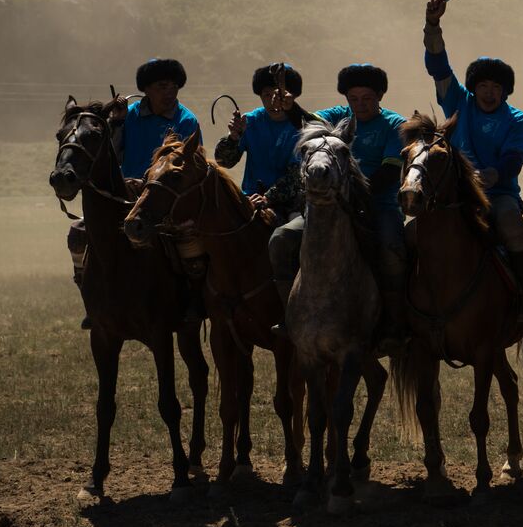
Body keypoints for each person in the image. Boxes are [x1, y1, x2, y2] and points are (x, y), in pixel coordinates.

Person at [266, 63, 408, 352]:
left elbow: (390, 172)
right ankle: (290, 317)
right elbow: (307, 124)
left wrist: (354, 196)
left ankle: (395, 323)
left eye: (367, 98)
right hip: (326, 206)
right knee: (281, 239)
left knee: (393, 248)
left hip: (378, 207)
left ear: (380, 96)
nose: (359, 105)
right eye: (353, 99)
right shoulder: (336, 117)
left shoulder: (395, 125)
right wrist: (291, 107)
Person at [422, 0, 523, 321]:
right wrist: (433, 26)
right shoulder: (458, 102)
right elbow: (438, 68)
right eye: (484, 85)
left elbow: (515, 160)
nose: (490, 92)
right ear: (474, 87)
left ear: (506, 91)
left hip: (499, 196)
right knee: (413, 234)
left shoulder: (517, 119)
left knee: (514, 229)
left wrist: (492, 175)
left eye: (496, 87)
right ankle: (407, 308)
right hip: (455, 196)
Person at [69, 58, 204, 327]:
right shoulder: (127, 116)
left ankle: (195, 299)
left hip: (164, 201)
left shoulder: (186, 121)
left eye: (174, 86)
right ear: (147, 89)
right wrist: (116, 123)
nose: (169, 92)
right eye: (162, 86)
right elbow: (110, 156)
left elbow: (189, 166)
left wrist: (148, 184)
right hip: (124, 199)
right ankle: (91, 298)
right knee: (78, 234)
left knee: (190, 242)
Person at [215, 62, 319, 223]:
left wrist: (267, 198)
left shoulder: (302, 126)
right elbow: (223, 162)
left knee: (286, 236)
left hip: (290, 205)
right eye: (267, 95)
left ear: (291, 97)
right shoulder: (249, 121)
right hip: (250, 199)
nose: (273, 102)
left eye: (279, 96)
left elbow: (296, 176)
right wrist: (233, 138)